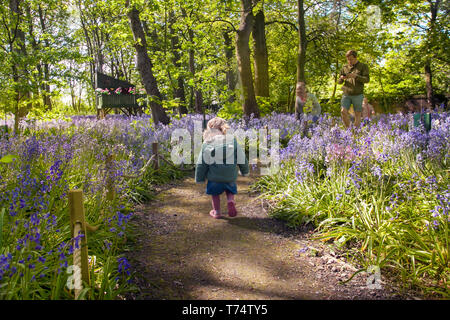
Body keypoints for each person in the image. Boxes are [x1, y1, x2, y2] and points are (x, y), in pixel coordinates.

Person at [195, 117, 249, 219]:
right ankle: (230, 200)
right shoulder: (232, 141)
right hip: (230, 176)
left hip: (214, 178)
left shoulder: (207, 143)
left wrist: (200, 178)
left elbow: (201, 163)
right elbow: (242, 158)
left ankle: (217, 212)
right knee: (230, 191)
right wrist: (245, 171)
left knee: (215, 194)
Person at [338, 50, 370, 128]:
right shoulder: (344, 67)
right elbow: (339, 82)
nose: (349, 61)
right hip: (346, 94)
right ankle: (349, 131)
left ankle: (355, 132)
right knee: (343, 111)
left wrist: (356, 76)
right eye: (348, 59)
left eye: (351, 59)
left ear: (356, 58)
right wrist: (341, 78)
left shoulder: (363, 66)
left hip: (358, 94)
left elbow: (367, 80)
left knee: (357, 114)